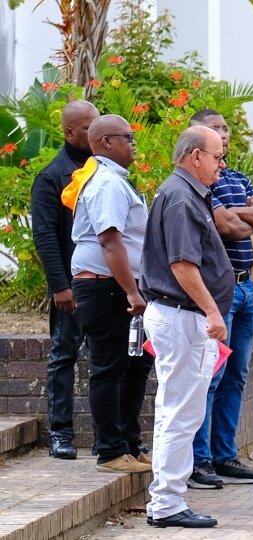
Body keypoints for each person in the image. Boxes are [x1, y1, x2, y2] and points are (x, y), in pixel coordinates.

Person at [140, 126, 233, 529]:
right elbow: (182, 264)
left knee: (175, 412)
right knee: (182, 414)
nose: (221, 165)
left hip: (179, 316)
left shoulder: (183, 193)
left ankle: (165, 499)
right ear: (196, 156)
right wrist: (213, 312)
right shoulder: (181, 197)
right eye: (217, 157)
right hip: (183, 316)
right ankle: (167, 502)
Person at [186, 109, 253, 489]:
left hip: (248, 287)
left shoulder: (235, 177)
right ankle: (200, 460)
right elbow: (229, 228)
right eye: (215, 129)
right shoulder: (200, 184)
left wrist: (238, 213)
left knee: (237, 376)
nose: (224, 134)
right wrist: (246, 215)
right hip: (219, 292)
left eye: (225, 128)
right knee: (211, 375)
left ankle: (224, 455)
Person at [67, 115, 151, 474]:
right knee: (109, 368)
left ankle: (130, 444)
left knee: (133, 367)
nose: (133, 143)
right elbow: (109, 240)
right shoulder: (106, 183)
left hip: (120, 286)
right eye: (127, 137)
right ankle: (110, 451)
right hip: (105, 287)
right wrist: (131, 291)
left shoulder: (116, 180)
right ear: (105, 143)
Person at [32, 100, 99, 460]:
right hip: (71, 286)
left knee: (105, 360)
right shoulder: (51, 177)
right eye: (88, 128)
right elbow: (44, 236)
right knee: (64, 357)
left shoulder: (103, 170)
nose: (96, 132)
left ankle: (107, 437)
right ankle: (60, 433)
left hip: (104, 284)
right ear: (70, 133)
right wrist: (60, 286)